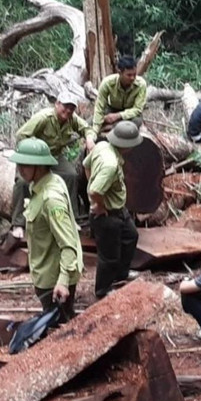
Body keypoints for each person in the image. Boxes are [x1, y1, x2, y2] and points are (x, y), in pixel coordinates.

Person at [7, 138, 84, 322]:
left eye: (25, 165)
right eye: (19, 164)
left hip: (54, 279)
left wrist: (63, 281)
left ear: (40, 166)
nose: (19, 168)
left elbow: (68, 244)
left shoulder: (51, 199)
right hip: (45, 272)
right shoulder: (43, 183)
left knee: (61, 327)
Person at [9, 92, 98, 240]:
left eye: (71, 108)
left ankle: (71, 218)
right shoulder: (44, 118)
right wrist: (32, 151)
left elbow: (87, 128)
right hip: (34, 156)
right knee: (22, 182)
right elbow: (21, 135)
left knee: (71, 176)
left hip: (54, 156)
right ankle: (18, 223)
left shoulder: (72, 119)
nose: (68, 111)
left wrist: (89, 138)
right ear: (57, 104)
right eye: (65, 106)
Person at [83, 120, 142, 299]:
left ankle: (120, 276)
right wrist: (100, 205)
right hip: (107, 214)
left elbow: (86, 165)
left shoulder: (101, 146)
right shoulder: (110, 164)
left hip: (118, 209)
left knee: (131, 236)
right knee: (109, 256)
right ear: (128, 146)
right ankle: (103, 290)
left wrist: (92, 179)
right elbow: (95, 190)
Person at [92, 55, 147, 134]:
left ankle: (111, 127)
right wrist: (95, 129)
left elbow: (138, 109)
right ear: (119, 72)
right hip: (112, 109)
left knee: (137, 121)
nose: (132, 78)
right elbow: (99, 108)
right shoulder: (108, 83)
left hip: (130, 114)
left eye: (134, 74)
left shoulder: (141, 84)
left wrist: (117, 116)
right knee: (92, 121)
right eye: (129, 75)